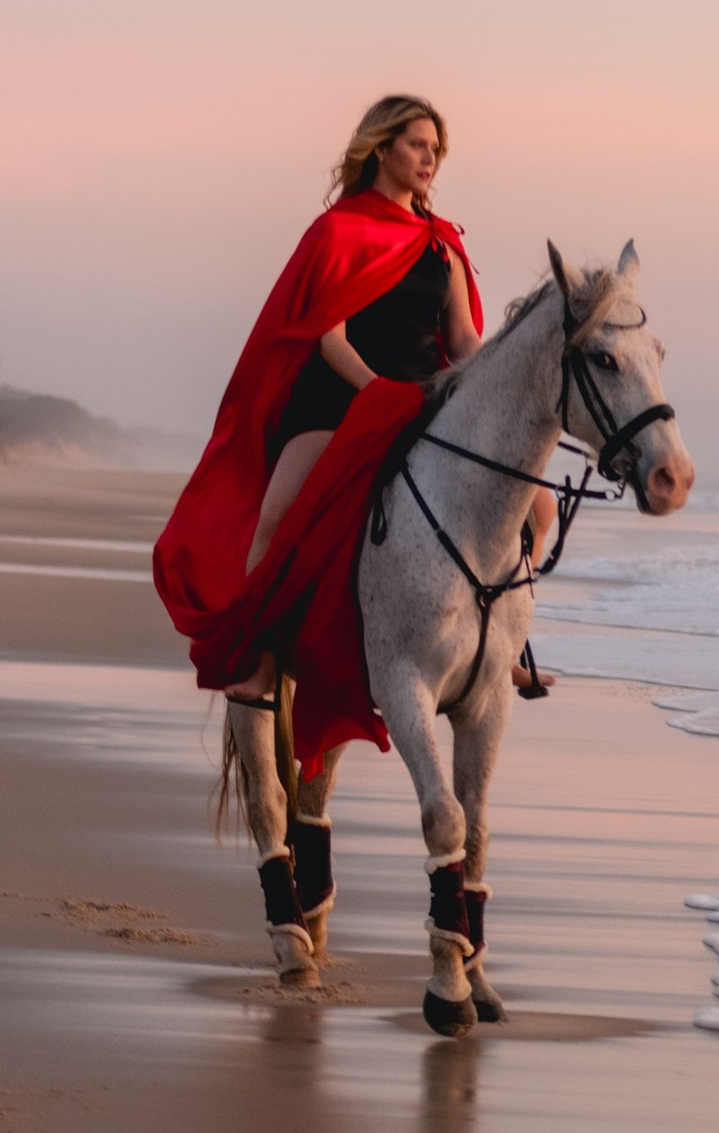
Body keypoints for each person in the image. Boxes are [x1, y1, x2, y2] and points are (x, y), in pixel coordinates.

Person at [152, 94, 484, 706]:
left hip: (421, 402)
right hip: (339, 398)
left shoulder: (443, 243)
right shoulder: (339, 230)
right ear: (380, 148)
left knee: (533, 509)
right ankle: (261, 654)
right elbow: (329, 335)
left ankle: (496, 647)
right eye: (417, 144)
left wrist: (480, 393)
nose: (429, 158)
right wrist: (376, 394)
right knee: (279, 517)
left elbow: (462, 338)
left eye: (436, 150)